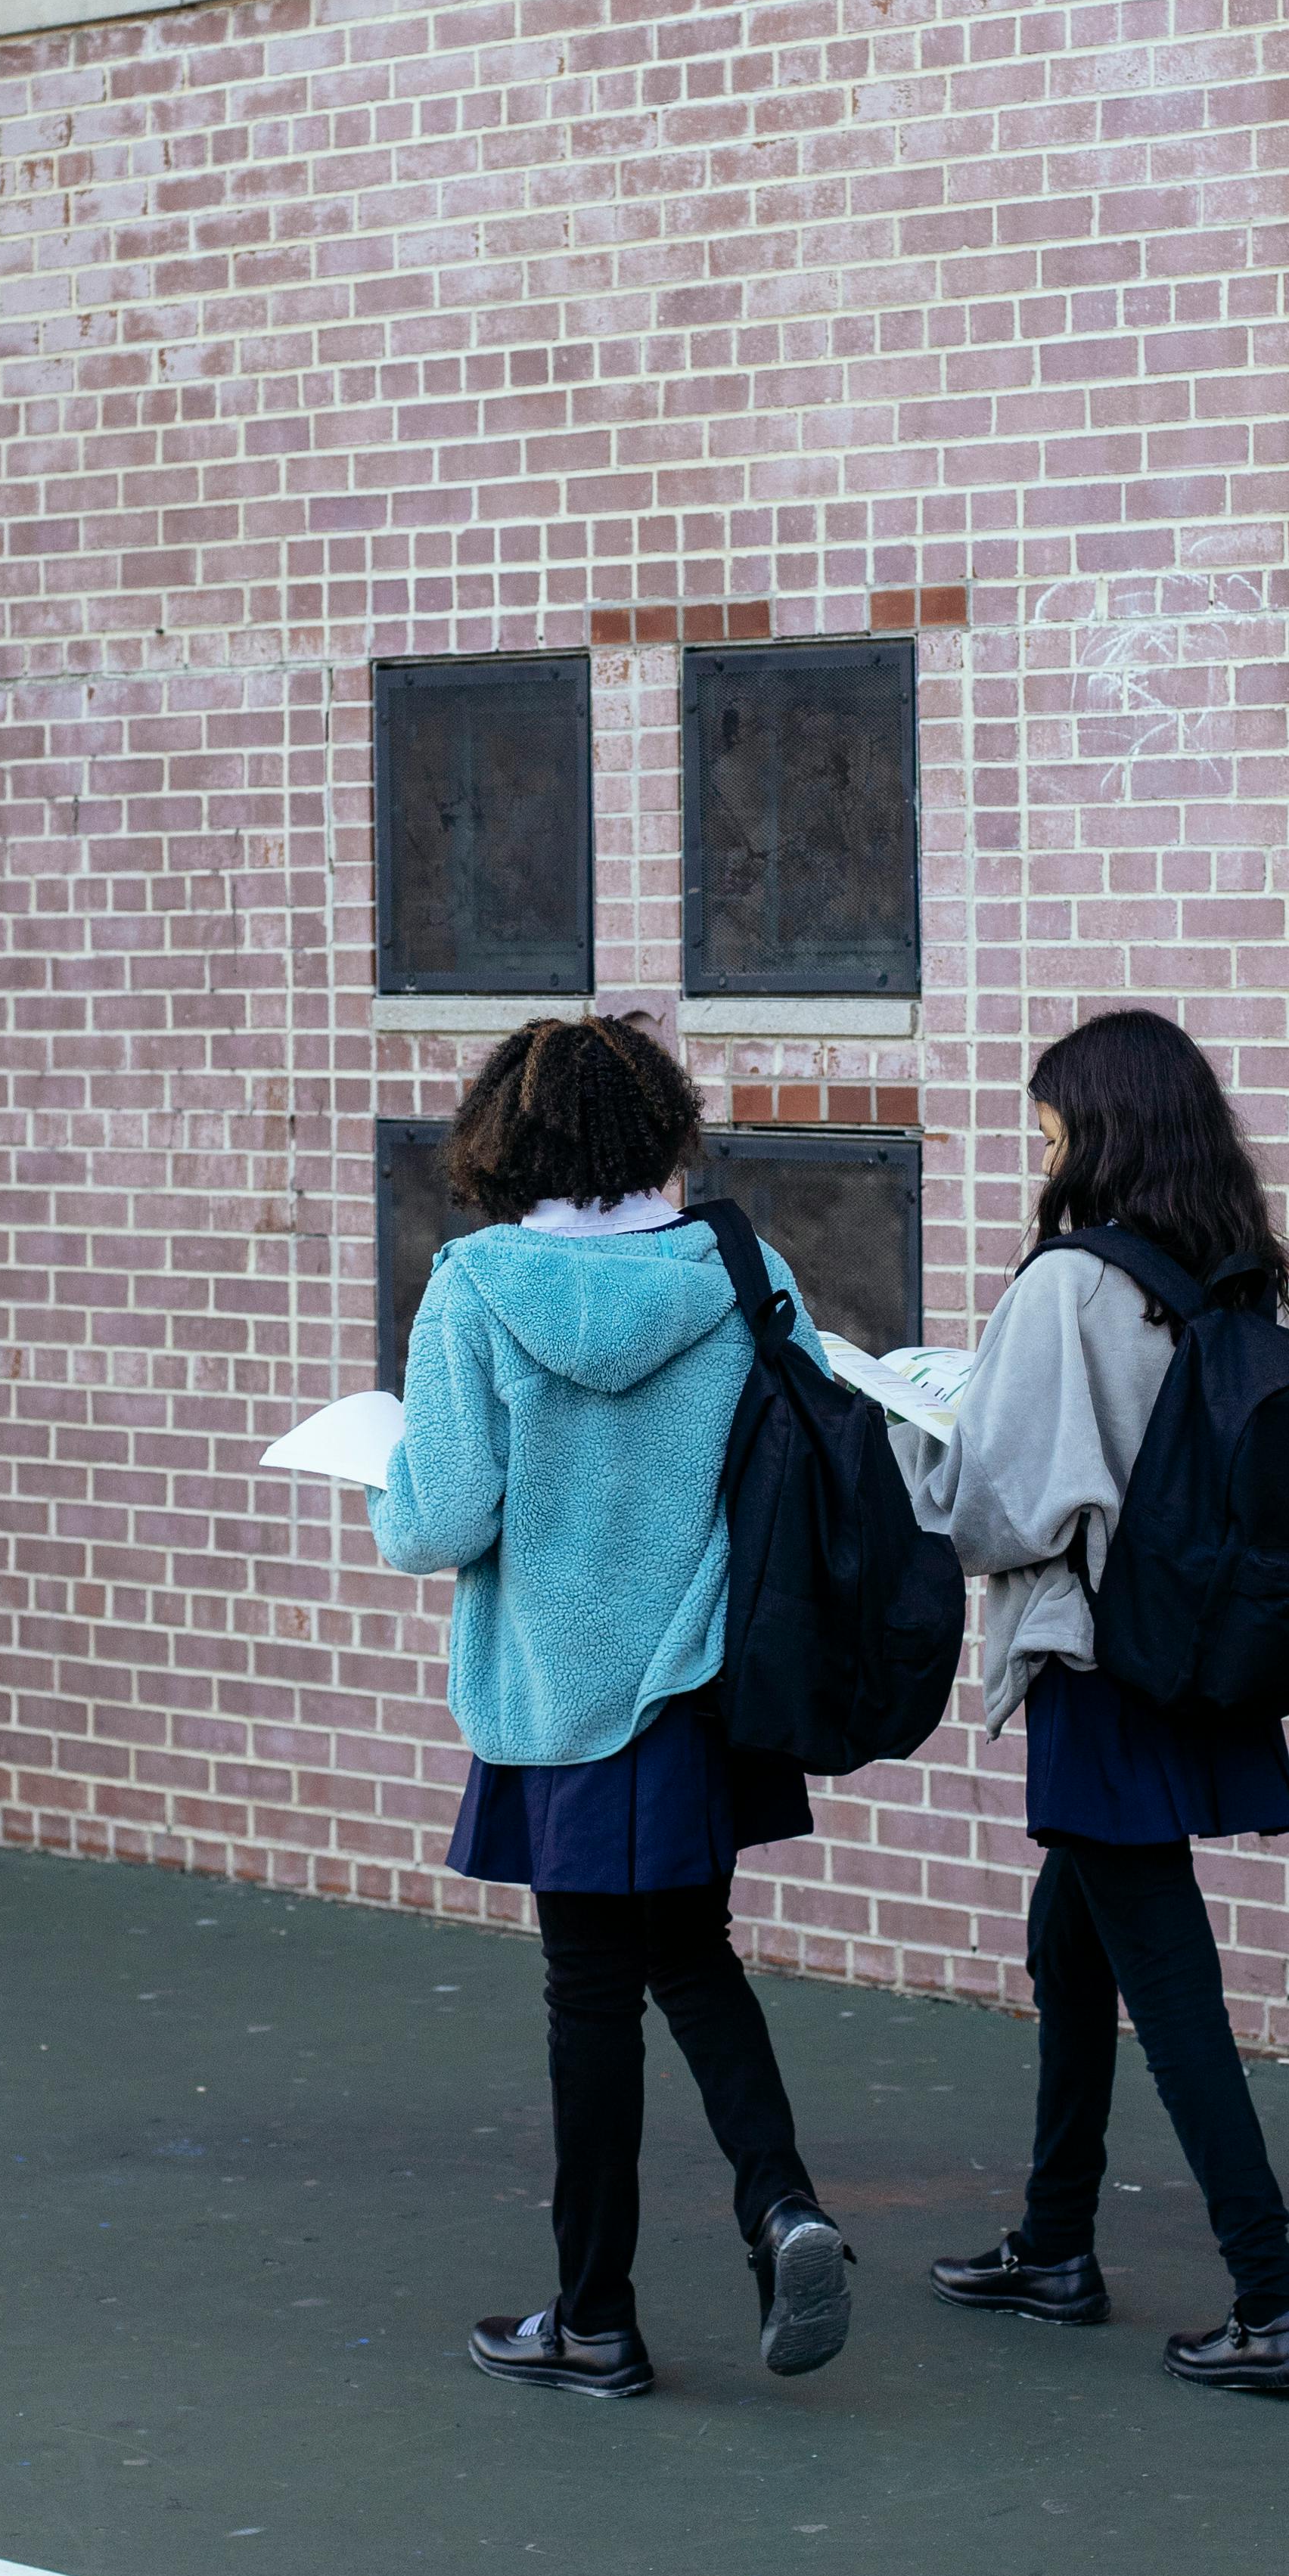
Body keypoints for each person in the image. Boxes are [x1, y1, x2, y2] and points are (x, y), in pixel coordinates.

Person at [366, 1012, 855, 2401]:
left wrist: (385, 1493)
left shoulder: (472, 1288)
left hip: (555, 1694)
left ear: (504, 1138)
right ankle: (782, 2206)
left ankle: (594, 2319)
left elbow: (443, 1514)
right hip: (701, 1678)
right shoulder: (743, 1270)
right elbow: (804, 1451)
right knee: (695, 1962)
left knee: (589, 1996)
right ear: (660, 1132)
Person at [892, 1008, 1289, 2396]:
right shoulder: (1225, 1274)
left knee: (1171, 1989)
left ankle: (1272, 2301)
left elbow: (994, 1507)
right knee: (1070, 1945)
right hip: (1185, 1655)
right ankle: (1053, 2243)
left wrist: (912, 1419)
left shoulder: (1068, 1287)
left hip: (1095, 1669)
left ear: (1099, 1132)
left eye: (1048, 1131)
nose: (1041, 1156)